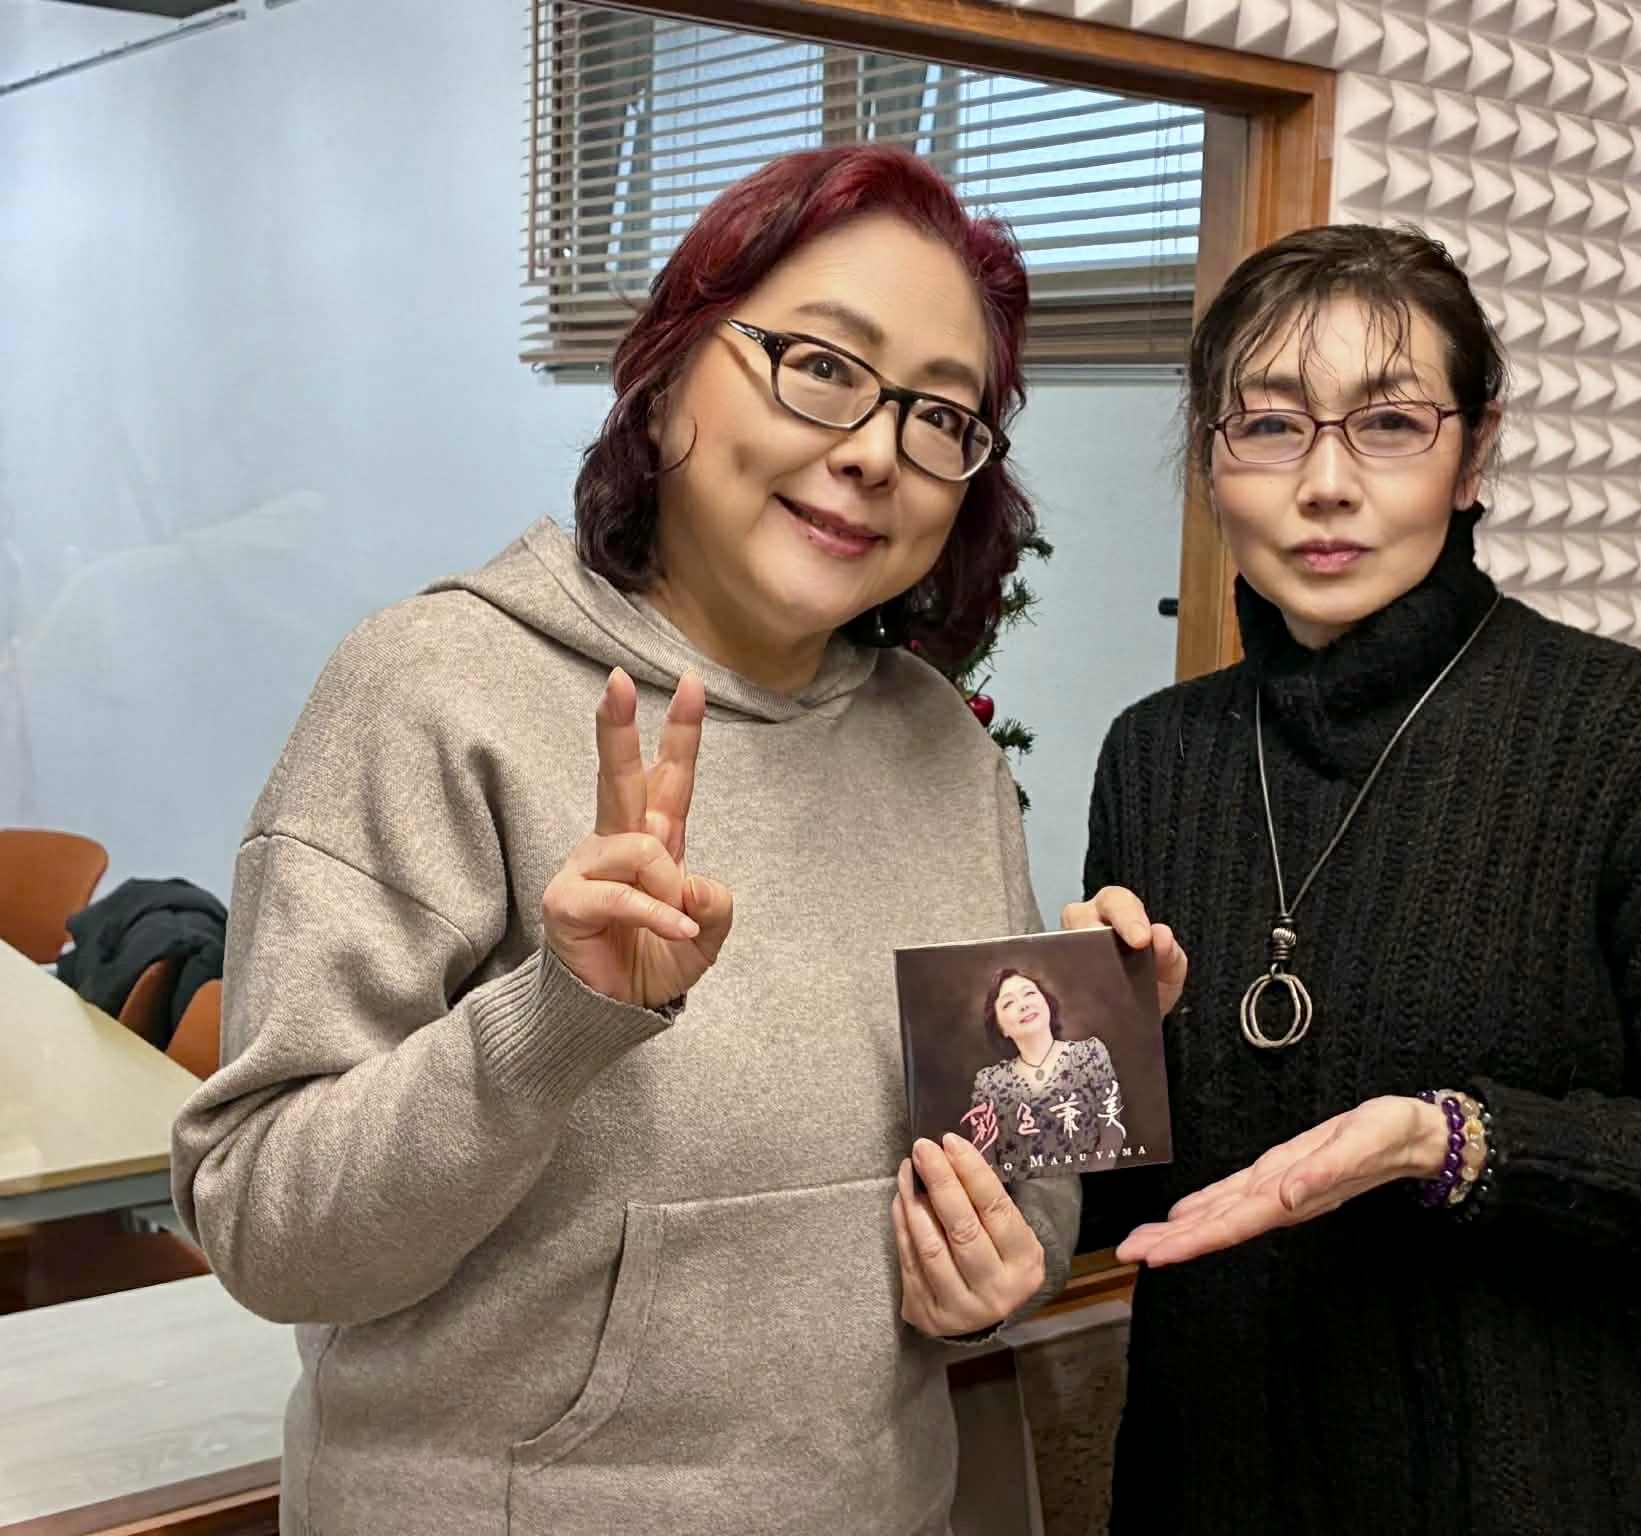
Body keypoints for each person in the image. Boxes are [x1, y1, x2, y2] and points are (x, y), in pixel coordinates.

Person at [170, 146, 1081, 1536]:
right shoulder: (436, 690)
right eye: (820, 366)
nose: (873, 451)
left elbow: (1020, 1188)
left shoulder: (942, 753)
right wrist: (557, 1019)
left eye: (940, 416)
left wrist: (1001, 1263)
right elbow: (263, 1227)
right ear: (662, 385)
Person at [1065, 224, 1641, 1535]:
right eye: (1269, 426)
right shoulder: (1155, 756)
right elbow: (1140, 1200)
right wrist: (1095, 1069)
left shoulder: (1622, 735)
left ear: (1473, 454)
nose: (1326, 483)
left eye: (1388, 423)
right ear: (1211, 464)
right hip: (1218, 1481)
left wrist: (1455, 1143)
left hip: (1559, 1489)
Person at [965, 966, 1124, 1172]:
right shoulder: (989, 1083)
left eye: (1029, 993)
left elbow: (1112, 1131)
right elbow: (984, 1160)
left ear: (1047, 1003)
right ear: (1000, 1027)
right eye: (1008, 1003)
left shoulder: (1090, 1053)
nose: (1023, 1005)